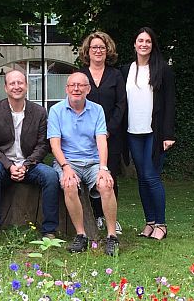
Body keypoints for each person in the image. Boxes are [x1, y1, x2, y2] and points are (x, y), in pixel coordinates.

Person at [0, 70, 59, 240]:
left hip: (29, 165)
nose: (17, 87)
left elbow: (43, 145)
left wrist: (25, 165)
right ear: (5, 88)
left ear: (27, 86)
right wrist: (9, 166)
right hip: (1, 164)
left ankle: (49, 230)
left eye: (20, 83)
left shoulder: (39, 112)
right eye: (12, 83)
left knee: (52, 176)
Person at [48, 72, 120, 256]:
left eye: (81, 85)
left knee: (106, 184)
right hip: (68, 162)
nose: (76, 89)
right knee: (69, 184)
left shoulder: (97, 110)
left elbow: (102, 140)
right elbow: (54, 144)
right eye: (72, 85)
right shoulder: (56, 110)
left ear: (88, 89)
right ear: (66, 88)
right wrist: (65, 167)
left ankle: (112, 236)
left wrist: (103, 168)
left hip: (93, 162)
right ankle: (81, 235)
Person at [121, 27, 175, 240]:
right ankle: (150, 222)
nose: (144, 44)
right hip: (133, 131)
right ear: (134, 44)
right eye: (140, 40)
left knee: (151, 176)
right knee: (142, 178)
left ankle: (161, 224)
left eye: (148, 41)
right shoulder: (126, 70)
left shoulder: (163, 70)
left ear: (153, 45)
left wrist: (168, 134)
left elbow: (170, 103)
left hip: (155, 132)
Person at [79, 31, 126, 235]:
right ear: (87, 52)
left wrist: (108, 130)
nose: (98, 51)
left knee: (108, 176)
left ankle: (111, 220)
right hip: (86, 137)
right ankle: (96, 216)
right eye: (94, 47)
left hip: (111, 136)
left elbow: (121, 105)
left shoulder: (116, 75)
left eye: (102, 47)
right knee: (90, 175)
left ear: (108, 51)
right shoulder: (81, 75)